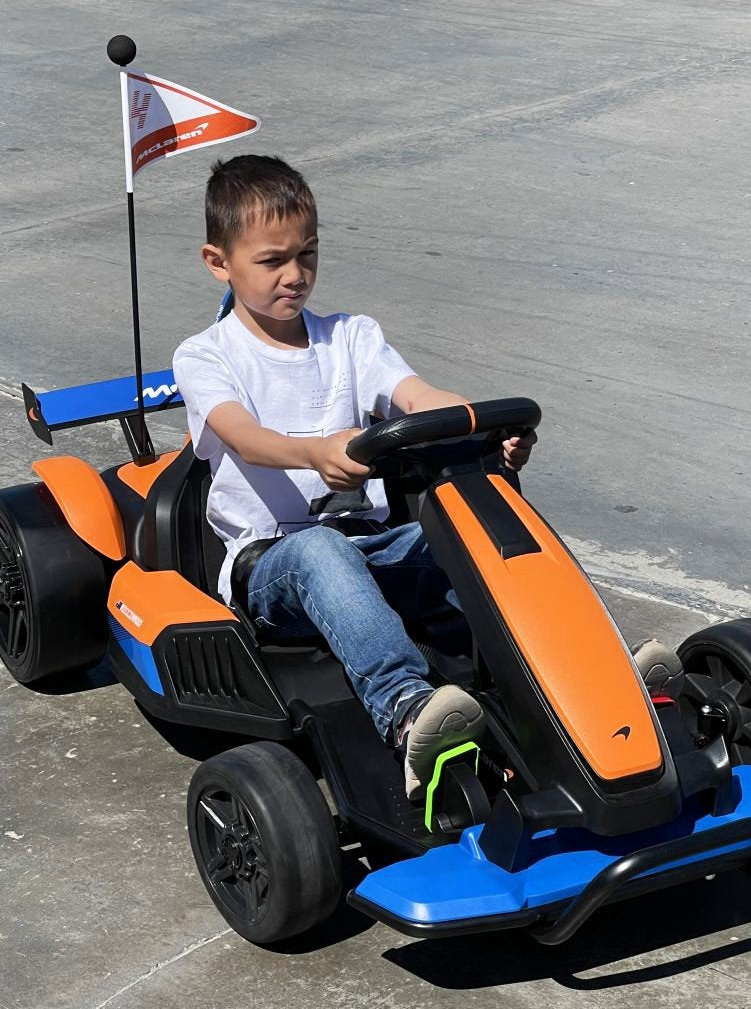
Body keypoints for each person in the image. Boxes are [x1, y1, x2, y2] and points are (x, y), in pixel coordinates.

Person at [173, 154, 537, 799]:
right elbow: (244, 438)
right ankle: (405, 712)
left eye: (307, 254)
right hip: (272, 565)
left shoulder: (351, 337)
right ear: (218, 261)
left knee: (473, 519)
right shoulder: (205, 356)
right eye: (272, 260)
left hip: (372, 545)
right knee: (320, 548)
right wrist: (314, 452)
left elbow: (416, 395)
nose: (295, 275)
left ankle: (575, 673)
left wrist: (478, 427)